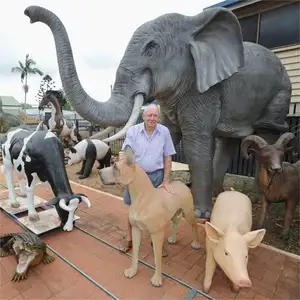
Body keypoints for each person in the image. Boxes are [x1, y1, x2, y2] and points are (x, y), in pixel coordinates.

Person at [119, 104, 176, 256]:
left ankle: (155, 241)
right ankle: (130, 239)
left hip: (156, 176)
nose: (152, 118)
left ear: (158, 117)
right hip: (135, 178)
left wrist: (166, 180)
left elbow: (168, 156)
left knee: (156, 211)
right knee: (132, 209)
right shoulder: (133, 131)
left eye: (155, 116)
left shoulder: (164, 132)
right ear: (143, 116)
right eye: (149, 115)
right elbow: (125, 154)